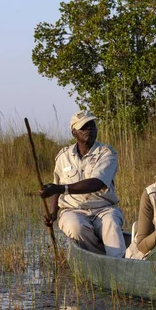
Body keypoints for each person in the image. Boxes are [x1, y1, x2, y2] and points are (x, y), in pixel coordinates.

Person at [39, 110, 126, 257]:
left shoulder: (106, 153)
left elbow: (96, 183)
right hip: (73, 210)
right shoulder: (63, 156)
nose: (89, 129)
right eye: (84, 127)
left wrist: (61, 188)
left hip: (103, 209)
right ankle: (99, 258)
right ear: (74, 132)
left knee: (111, 223)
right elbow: (56, 187)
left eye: (92, 125)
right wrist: (53, 213)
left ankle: (118, 263)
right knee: (76, 227)